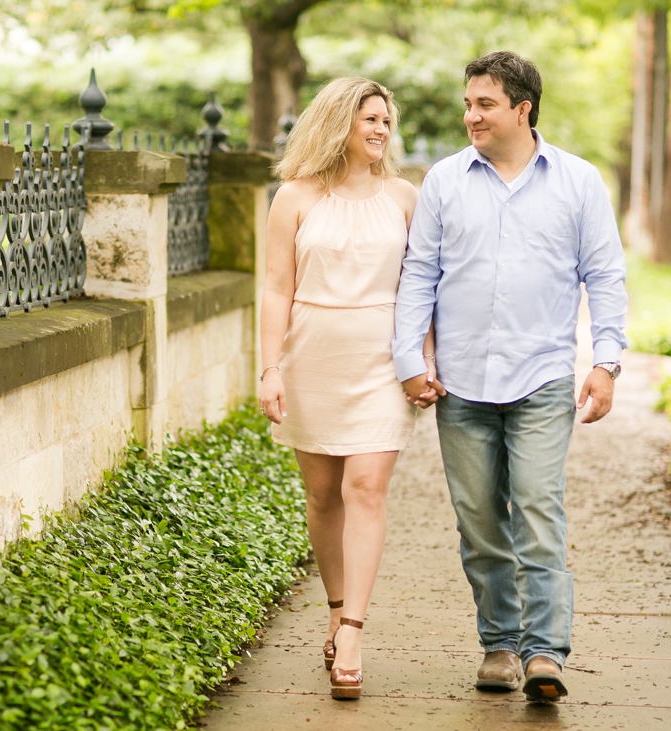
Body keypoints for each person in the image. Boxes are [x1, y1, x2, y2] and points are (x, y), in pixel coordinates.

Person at [392, 51, 628, 703]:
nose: (471, 115)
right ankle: (499, 644)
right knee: (480, 522)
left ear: (523, 109)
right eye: (468, 103)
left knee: (537, 509)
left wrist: (605, 362)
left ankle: (544, 650)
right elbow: (419, 273)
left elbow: (604, 275)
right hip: (460, 384)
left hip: (543, 378)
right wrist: (410, 358)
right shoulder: (443, 181)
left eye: (484, 104)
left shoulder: (578, 182)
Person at [258, 76, 432, 700]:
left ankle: (353, 632)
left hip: (382, 360)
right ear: (340, 124)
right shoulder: (295, 197)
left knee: (366, 486)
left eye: (386, 120)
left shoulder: (406, 197)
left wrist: (425, 358)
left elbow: (423, 287)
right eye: (370, 120)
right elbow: (277, 286)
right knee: (323, 493)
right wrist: (270, 368)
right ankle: (334, 608)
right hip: (312, 357)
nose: (382, 130)